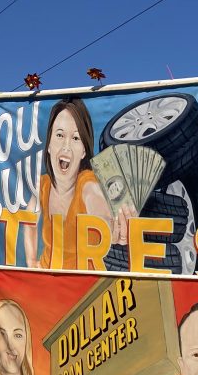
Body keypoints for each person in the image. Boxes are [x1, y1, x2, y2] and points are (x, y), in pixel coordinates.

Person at [23, 97, 133, 270]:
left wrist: (112, 227)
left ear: (83, 151)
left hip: (83, 288)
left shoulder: (88, 183)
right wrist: (31, 261)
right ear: (49, 145)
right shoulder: (42, 185)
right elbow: (28, 222)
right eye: (59, 135)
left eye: (75, 138)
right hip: (47, 282)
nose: (66, 147)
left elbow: (98, 204)